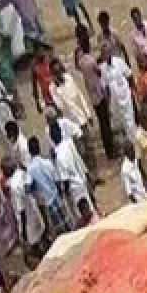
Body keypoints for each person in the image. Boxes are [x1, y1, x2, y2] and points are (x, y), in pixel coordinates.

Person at [51, 57, 101, 178]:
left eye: (59, 70)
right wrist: (58, 87)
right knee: (79, 151)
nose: (58, 73)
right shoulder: (53, 88)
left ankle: (95, 175)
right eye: (55, 72)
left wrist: (88, 114)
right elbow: (60, 106)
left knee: (89, 148)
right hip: (70, 124)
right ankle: (87, 176)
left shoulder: (69, 78)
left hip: (81, 118)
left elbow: (80, 96)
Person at [75, 24, 118, 161]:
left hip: (92, 95)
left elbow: (79, 67)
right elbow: (98, 72)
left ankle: (109, 149)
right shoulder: (89, 60)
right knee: (105, 123)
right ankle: (111, 149)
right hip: (99, 94)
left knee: (102, 121)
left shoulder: (81, 60)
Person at [26, 138, 73, 239]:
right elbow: (57, 180)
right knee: (67, 222)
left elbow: (27, 188)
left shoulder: (30, 169)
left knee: (58, 230)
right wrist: (60, 193)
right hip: (56, 197)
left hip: (46, 202)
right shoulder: (48, 162)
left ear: (29, 151)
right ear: (39, 148)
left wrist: (35, 190)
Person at [3, 156, 44, 265]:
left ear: (7, 171)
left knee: (33, 245)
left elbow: (21, 211)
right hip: (34, 210)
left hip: (27, 220)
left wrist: (23, 233)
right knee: (40, 237)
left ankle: (42, 260)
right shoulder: (21, 173)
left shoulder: (14, 187)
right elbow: (31, 183)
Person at [50, 119, 93, 222]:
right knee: (90, 211)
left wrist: (65, 195)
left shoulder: (59, 157)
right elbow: (79, 160)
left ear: (52, 138)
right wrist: (87, 174)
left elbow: (65, 180)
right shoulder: (69, 144)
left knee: (82, 218)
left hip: (74, 191)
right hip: (81, 182)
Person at [101, 43, 138, 142]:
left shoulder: (119, 62)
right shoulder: (103, 68)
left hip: (125, 97)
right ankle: (129, 143)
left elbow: (129, 75)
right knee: (122, 124)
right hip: (115, 101)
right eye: (104, 53)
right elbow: (105, 87)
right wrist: (108, 103)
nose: (106, 55)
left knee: (130, 120)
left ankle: (135, 142)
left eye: (107, 52)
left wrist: (133, 89)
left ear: (110, 53)